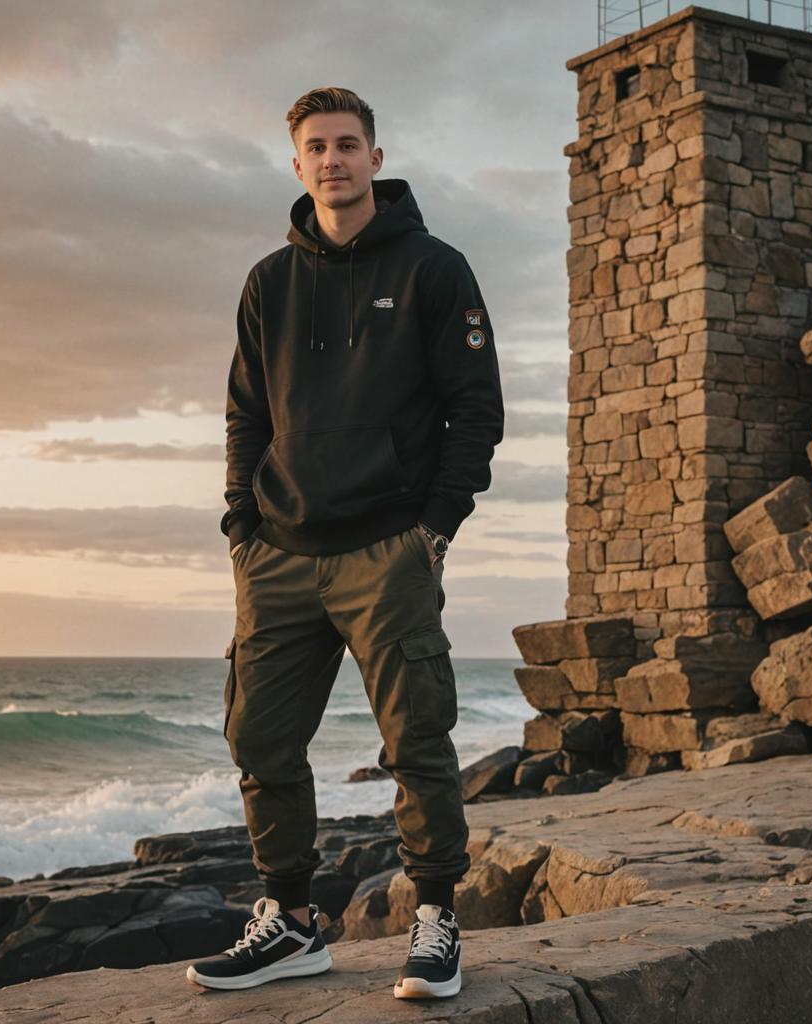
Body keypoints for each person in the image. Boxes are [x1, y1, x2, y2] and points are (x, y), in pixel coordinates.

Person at [186, 86, 504, 1000]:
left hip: (387, 550)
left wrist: (433, 531)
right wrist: (239, 525)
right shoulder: (268, 282)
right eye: (317, 147)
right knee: (259, 738)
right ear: (297, 164)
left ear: (375, 155)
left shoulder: (436, 268)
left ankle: (437, 920)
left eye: (348, 144)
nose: (333, 159)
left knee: (418, 737)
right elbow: (246, 414)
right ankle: (288, 921)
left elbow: (476, 412)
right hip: (277, 552)